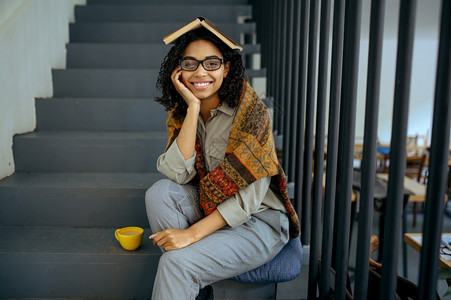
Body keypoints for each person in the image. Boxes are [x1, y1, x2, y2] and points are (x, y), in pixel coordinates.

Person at [145, 21, 300, 300]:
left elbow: (246, 202)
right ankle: (193, 286)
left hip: (258, 222)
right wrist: (192, 108)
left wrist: (191, 235)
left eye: (212, 63)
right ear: (178, 70)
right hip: (211, 206)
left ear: (226, 69)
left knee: (176, 263)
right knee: (158, 194)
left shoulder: (252, 114)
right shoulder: (182, 114)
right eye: (190, 63)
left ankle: (186, 274)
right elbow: (177, 173)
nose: (200, 72)